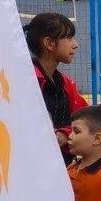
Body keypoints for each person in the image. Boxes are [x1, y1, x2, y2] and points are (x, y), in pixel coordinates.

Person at [26, 13, 87, 151]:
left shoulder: (67, 83)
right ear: (49, 43)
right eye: (69, 38)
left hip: (62, 165)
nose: (75, 45)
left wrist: (65, 133)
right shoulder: (26, 82)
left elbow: (85, 118)